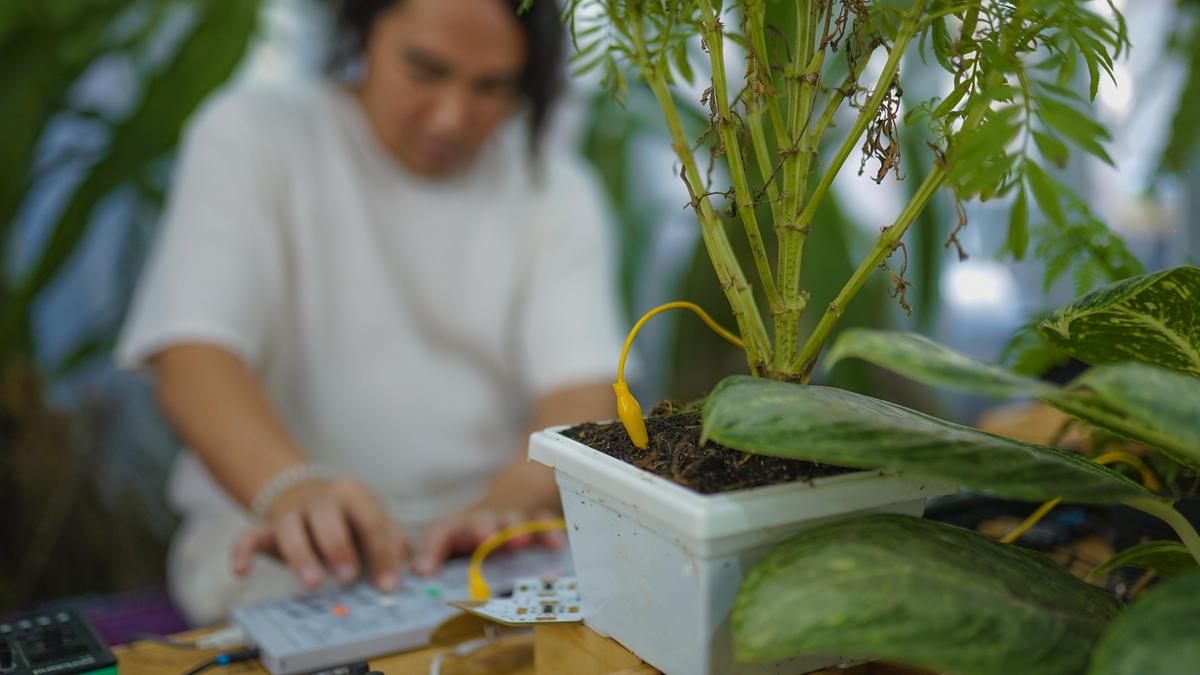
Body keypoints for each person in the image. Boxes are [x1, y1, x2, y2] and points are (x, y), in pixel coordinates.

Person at [117, 0, 623, 625]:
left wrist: (509, 504)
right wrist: (292, 491)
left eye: (491, 87)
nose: (450, 117)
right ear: (361, 30)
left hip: (488, 550)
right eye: (424, 69)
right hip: (280, 544)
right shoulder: (253, 135)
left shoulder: (556, 190)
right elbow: (191, 357)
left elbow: (584, 392)